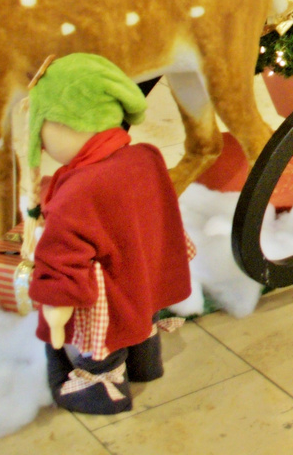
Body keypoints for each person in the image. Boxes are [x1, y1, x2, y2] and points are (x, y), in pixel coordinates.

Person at [27, 54, 192, 414]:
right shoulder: (146, 157)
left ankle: (103, 386)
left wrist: (54, 316)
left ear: (63, 123)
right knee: (141, 325)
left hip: (109, 298)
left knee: (98, 344)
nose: (42, 146)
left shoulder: (78, 192)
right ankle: (146, 363)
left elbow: (62, 262)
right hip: (143, 284)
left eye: (42, 132)